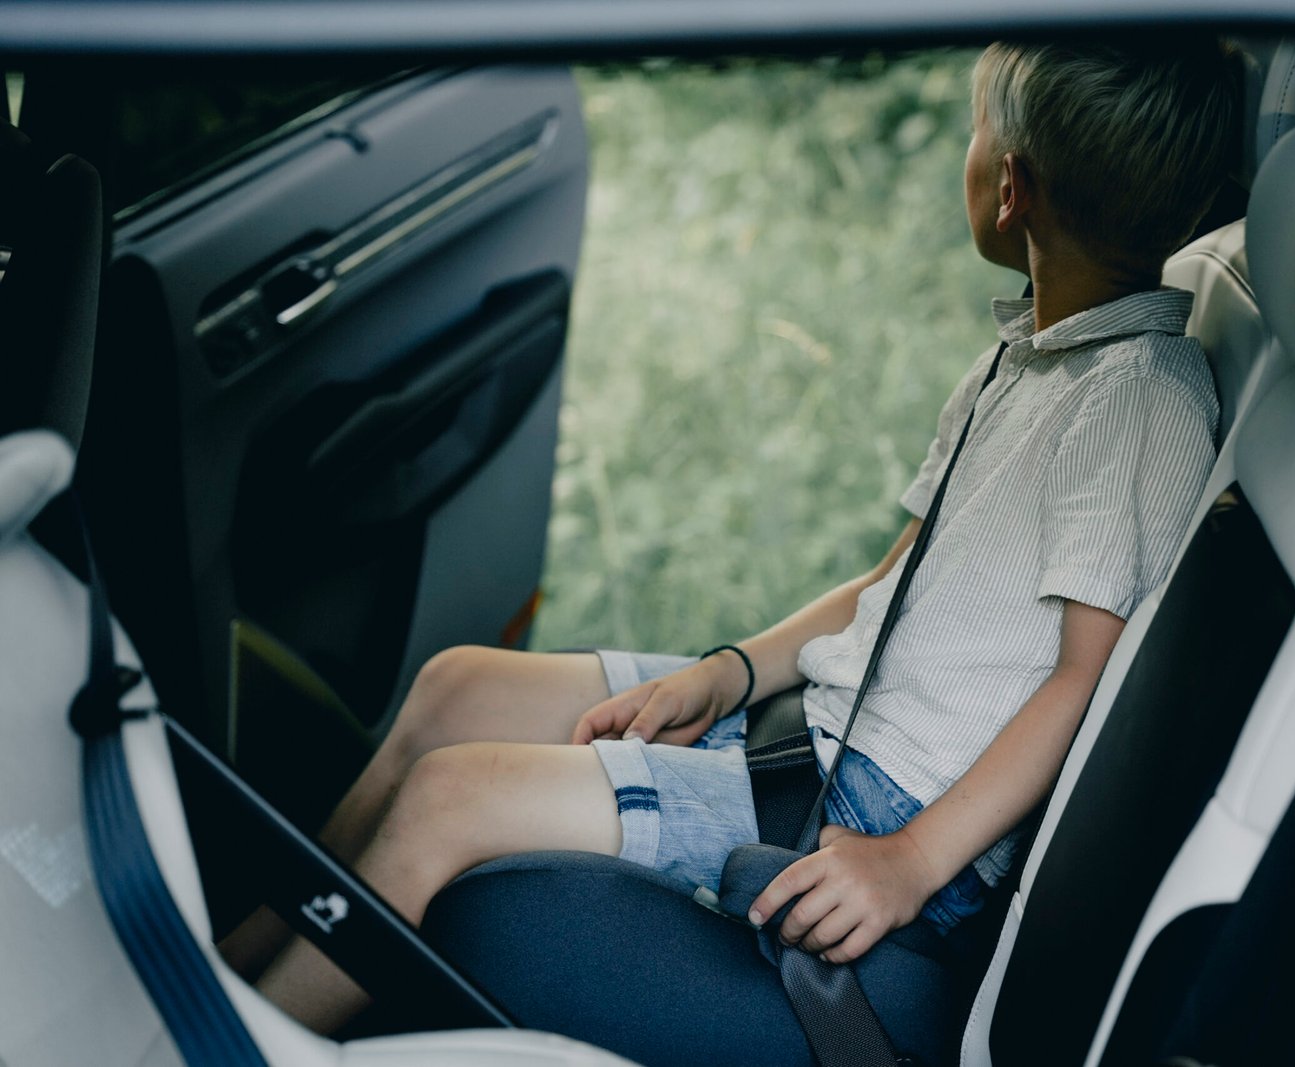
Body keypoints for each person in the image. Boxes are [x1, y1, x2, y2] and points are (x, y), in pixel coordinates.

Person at [228, 37, 1239, 1033]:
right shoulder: (1027, 360)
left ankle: (230, 1034)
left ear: (1010, 188)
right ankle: (224, 964)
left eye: (975, 133)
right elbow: (886, 585)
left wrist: (911, 860)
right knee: (458, 687)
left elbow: (1084, 680)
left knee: (450, 797)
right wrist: (730, 673)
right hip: (822, 728)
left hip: (873, 808)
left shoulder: (1137, 397)